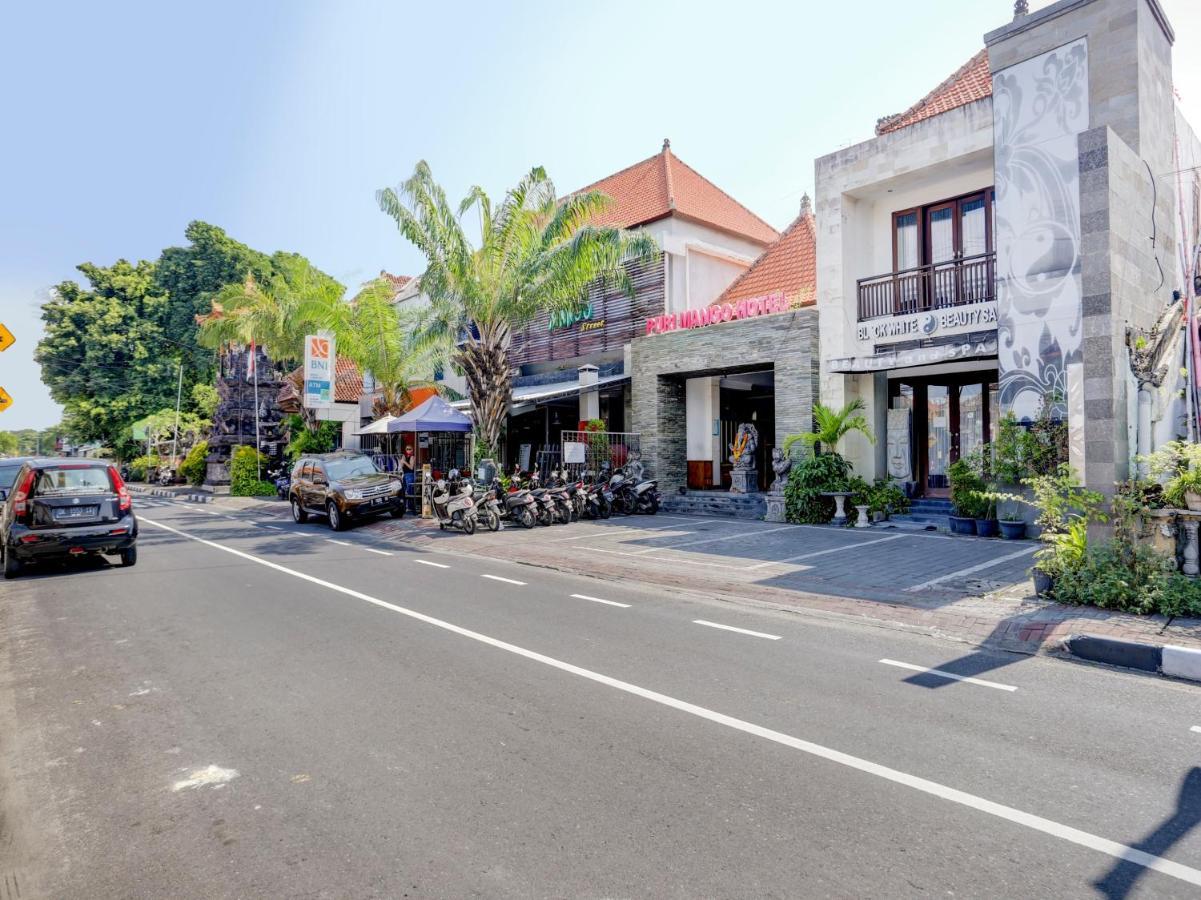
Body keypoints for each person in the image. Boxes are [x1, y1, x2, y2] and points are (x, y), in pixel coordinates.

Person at [400, 444, 415, 511]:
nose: (408, 450)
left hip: (410, 474)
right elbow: (401, 466)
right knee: (404, 491)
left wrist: (405, 462)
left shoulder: (412, 457)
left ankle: (410, 507)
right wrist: (402, 461)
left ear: (412, 450)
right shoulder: (404, 456)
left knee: (410, 491)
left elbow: (411, 467)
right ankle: (405, 506)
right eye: (407, 449)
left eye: (410, 449)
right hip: (405, 475)